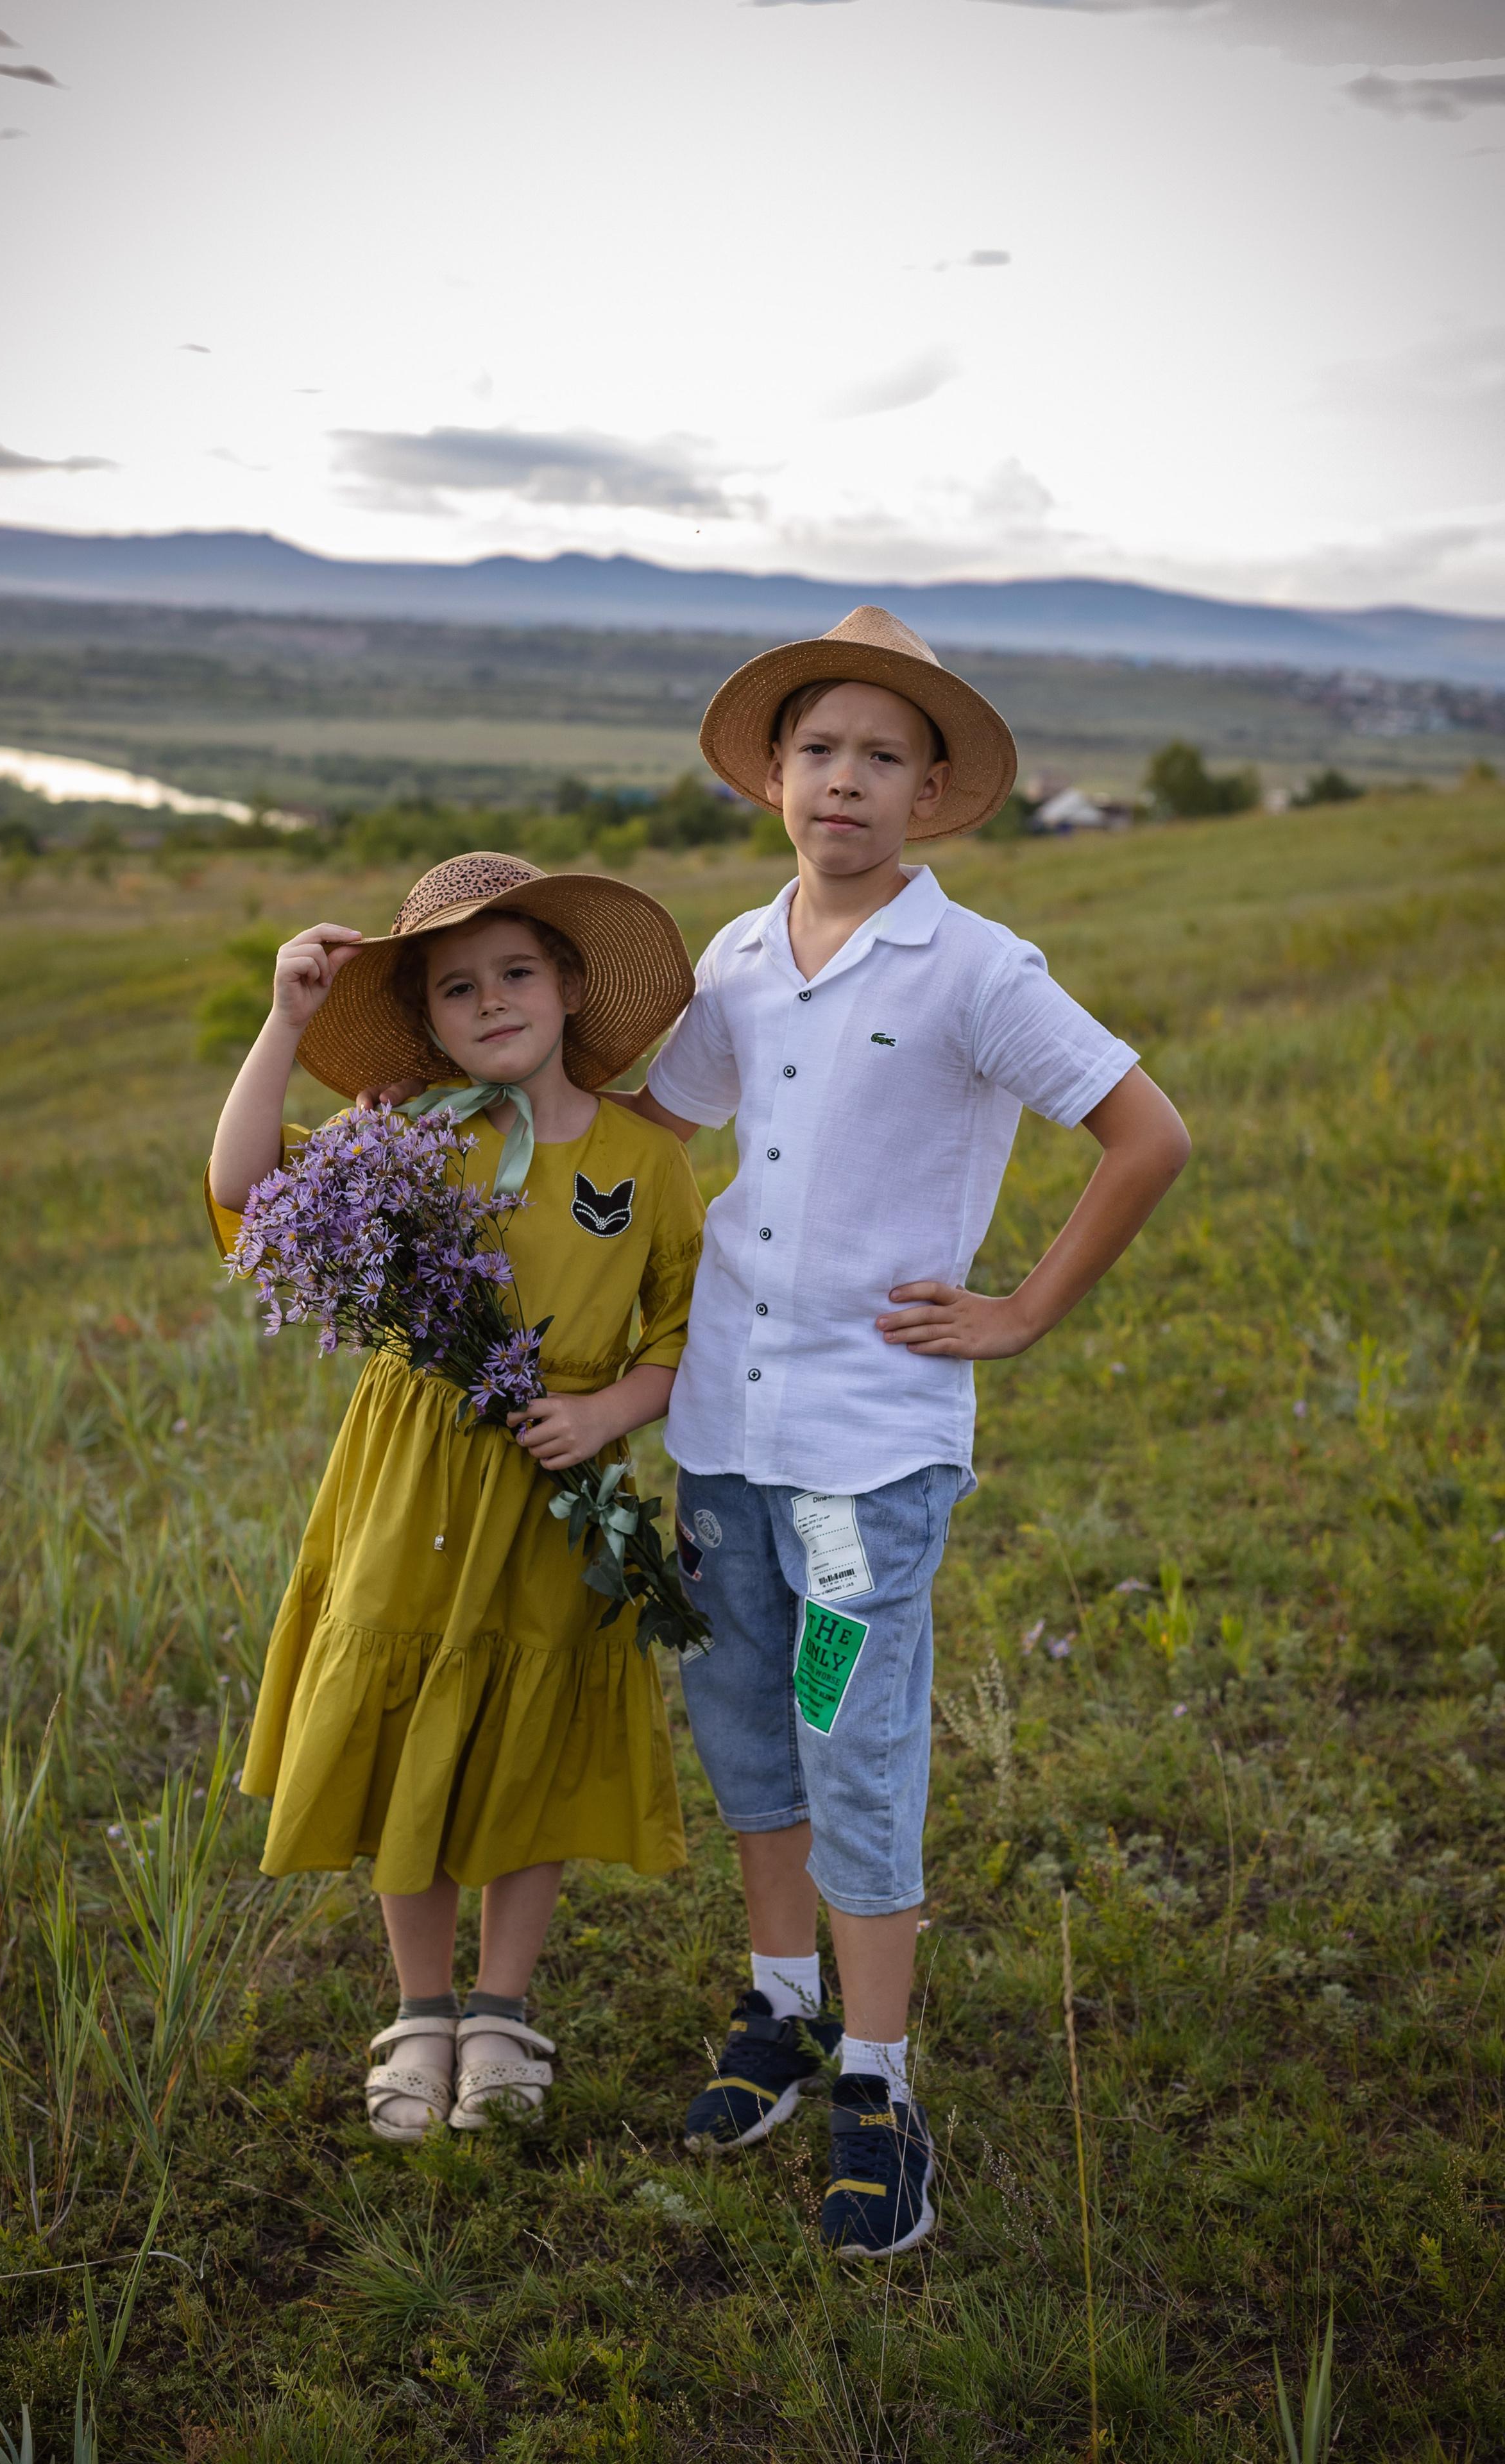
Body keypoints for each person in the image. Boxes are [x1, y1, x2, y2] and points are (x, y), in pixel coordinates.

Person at [620, 606, 1191, 2257]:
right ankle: (780, 2003)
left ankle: (877, 2083)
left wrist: (1017, 1314)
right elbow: (661, 1125)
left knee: (842, 1729)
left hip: (864, 1455)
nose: (843, 784)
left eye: (882, 757)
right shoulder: (732, 958)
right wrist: (469, 1094)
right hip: (727, 1425)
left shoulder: (976, 971)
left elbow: (1142, 1137)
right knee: (740, 1709)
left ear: (935, 792)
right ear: (772, 779)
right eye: (816, 752)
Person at [205, 853, 702, 2143]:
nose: (490, 1004)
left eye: (515, 974)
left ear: (571, 987)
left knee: (523, 1726)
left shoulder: (647, 1161)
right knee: (407, 1718)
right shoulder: (404, 1145)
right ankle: (420, 2012)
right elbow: (243, 1189)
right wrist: (285, 1021)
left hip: (554, 1489)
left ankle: (500, 2009)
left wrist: (604, 1412)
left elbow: (682, 1331)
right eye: (456, 989)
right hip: (410, 1479)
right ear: (426, 1025)